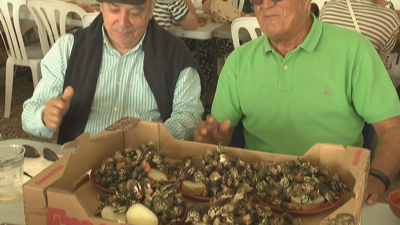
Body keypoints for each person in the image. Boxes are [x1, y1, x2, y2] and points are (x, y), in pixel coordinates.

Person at [194, 0, 400, 206]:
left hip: (335, 197)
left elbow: (392, 128)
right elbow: (220, 137)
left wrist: (377, 177)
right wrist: (210, 143)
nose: (265, 4)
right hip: (260, 199)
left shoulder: (354, 51)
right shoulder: (238, 62)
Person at [21, 0, 204, 144]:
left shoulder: (176, 56)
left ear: (150, 10)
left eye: (134, 13)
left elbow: (189, 115)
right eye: (114, 10)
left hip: (146, 165)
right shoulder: (68, 48)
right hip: (80, 165)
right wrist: (45, 115)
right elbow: (30, 112)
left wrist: (153, 137)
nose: (123, 23)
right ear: (101, 7)